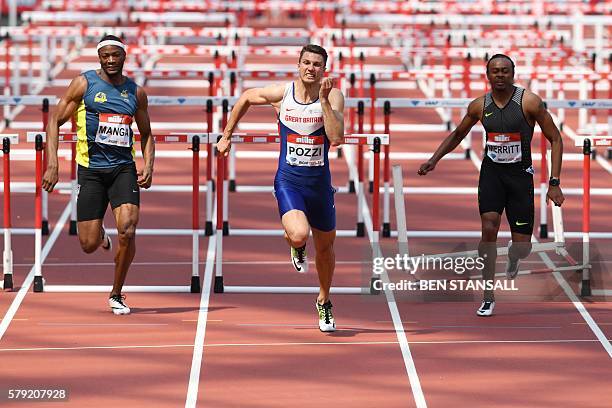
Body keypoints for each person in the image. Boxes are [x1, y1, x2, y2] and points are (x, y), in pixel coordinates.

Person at [417, 54, 564, 316]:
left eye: (504, 71)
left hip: (520, 178)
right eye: (495, 71)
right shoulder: (478, 105)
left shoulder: (529, 102)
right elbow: (458, 134)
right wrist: (434, 159)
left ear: (513, 73)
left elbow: (556, 138)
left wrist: (554, 182)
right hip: (492, 175)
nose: (499, 75)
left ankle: (514, 256)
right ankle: (488, 294)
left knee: (523, 246)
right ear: (487, 75)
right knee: (489, 228)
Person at [216, 44, 344, 332]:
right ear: (298, 65)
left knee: (325, 249)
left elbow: (336, 138)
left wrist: (323, 102)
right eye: (306, 63)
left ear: (324, 69)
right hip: (289, 180)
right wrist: (226, 136)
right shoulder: (282, 94)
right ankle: (295, 245)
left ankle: (324, 300)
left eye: (317, 64)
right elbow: (247, 97)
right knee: (300, 234)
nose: (311, 68)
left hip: (320, 184)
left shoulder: (334, 96)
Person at [42, 35, 155, 315]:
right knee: (88, 245)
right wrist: (52, 163)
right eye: (105, 56)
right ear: (99, 57)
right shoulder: (84, 84)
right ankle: (101, 237)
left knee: (128, 229)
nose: (111, 60)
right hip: (91, 171)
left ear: (124, 57)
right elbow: (54, 121)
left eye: (115, 55)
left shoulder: (136, 92)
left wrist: (149, 164)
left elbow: (147, 133)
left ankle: (116, 293)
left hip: (122, 169)